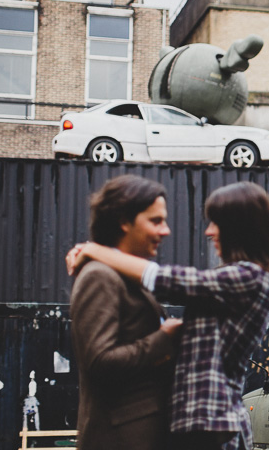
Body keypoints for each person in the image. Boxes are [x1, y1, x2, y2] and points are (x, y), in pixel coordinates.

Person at [68, 181, 269, 450]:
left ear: (239, 228)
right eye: (156, 220)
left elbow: (167, 280)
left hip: (210, 425)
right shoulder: (237, 281)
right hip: (201, 426)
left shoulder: (248, 278)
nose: (209, 231)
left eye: (216, 223)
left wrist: (95, 251)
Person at [70, 174, 182, 450]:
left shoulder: (124, 278)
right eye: (155, 221)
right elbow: (99, 362)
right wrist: (163, 339)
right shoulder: (99, 277)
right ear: (123, 221)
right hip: (119, 439)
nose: (166, 231)